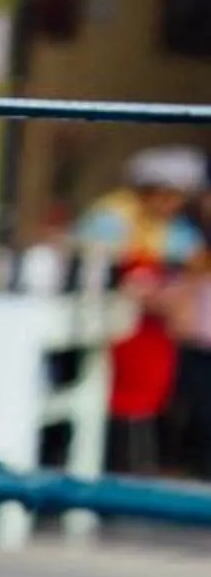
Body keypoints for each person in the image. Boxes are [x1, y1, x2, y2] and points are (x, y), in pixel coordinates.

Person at [78, 145, 207, 478]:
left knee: (150, 399)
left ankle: (139, 467)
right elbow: (98, 268)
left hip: (153, 330)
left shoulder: (174, 229)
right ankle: (111, 468)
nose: (174, 205)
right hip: (116, 324)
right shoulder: (112, 217)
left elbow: (192, 263)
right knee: (112, 396)